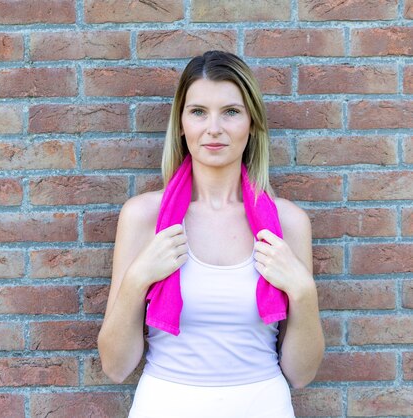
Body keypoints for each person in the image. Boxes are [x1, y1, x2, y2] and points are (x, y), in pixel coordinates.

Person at [97, 50, 324, 418]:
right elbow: (116, 366)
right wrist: (138, 278)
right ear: (182, 123)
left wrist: (303, 291)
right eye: (198, 111)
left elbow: (301, 373)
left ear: (252, 124)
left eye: (231, 112)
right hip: (166, 404)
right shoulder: (144, 218)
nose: (213, 128)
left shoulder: (288, 224)